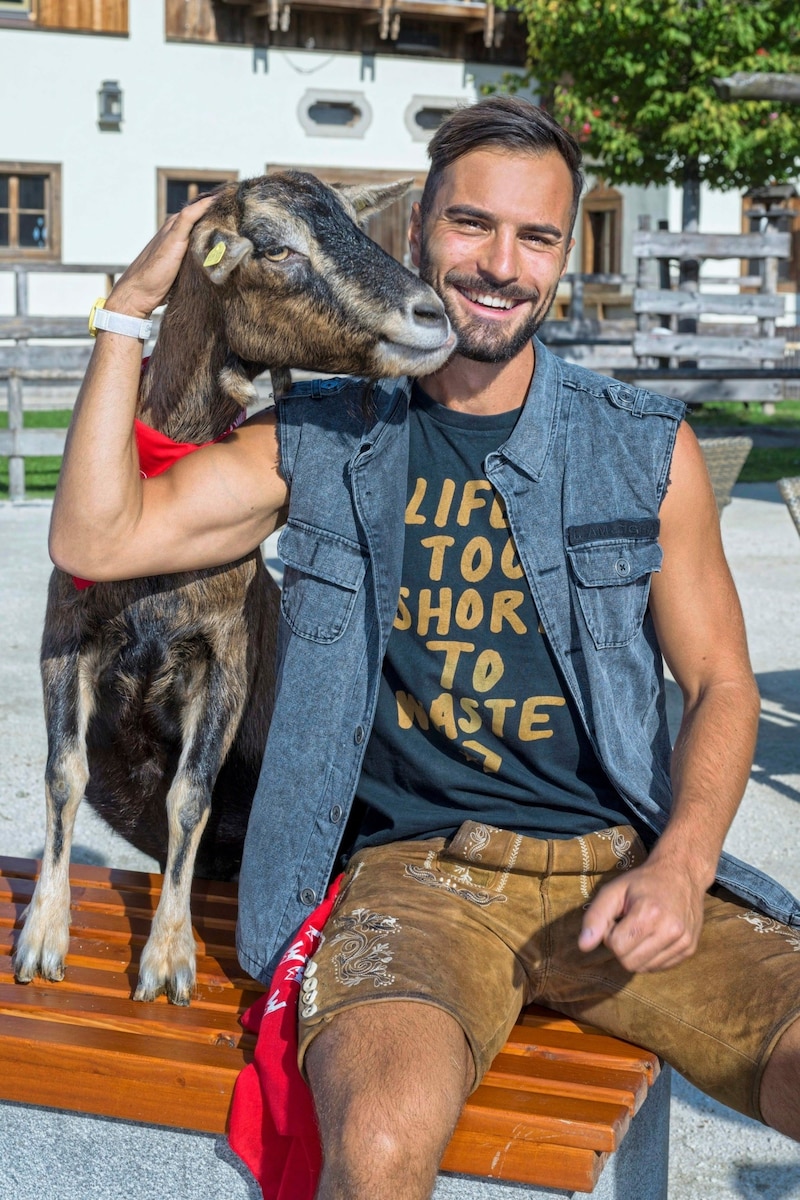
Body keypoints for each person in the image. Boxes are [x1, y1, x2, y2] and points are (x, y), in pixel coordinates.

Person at [51, 96, 800, 1200]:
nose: (500, 264)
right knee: (380, 1147)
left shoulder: (641, 448)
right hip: (417, 888)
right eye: (471, 226)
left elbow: (720, 682)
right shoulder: (315, 440)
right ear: (414, 235)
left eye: (535, 237)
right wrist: (128, 311)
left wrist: (684, 865)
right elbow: (94, 536)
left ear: (558, 254)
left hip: (622, 866)